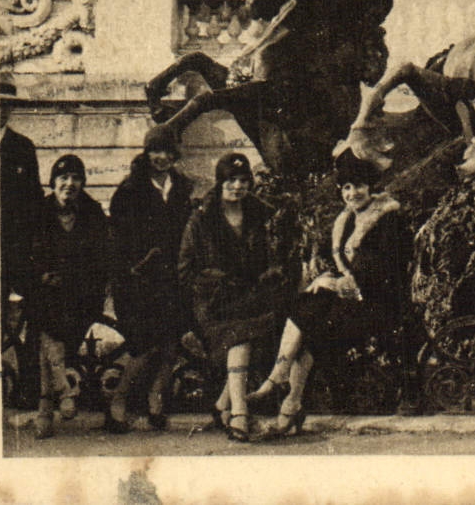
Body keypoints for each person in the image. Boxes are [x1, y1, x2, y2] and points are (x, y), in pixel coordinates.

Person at [244, 150, 413, 439]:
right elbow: (332, 263)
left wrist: (338, 283)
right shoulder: (345, 221)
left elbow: (381, 271)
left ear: (371, 186)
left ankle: (281, 387)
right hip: (350, 303)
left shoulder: (388, 219)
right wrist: (326, 278)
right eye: (346, 187)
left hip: (380, 304)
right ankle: (289, 402)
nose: (352, 193)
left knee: (310, 315)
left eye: (359, 185)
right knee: (308, 311)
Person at [178, 152, 288, 442]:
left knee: (258, 326)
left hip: (248, 296)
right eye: (230, 180)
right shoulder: (201, 218)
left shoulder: (259, 214)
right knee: (241, 335)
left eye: (243, 180)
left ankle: (222, 404)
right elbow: (185, 270)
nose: (237, 187)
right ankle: (239, 412)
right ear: (219, 182)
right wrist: (214, 282)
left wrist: (270, 273)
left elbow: (272, 257)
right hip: (212, 301)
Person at [103, 141, 195, 433]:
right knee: (143, 345)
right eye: (157, 151)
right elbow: (117, 238)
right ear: (147, 154)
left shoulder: (181, 188)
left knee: (170, 344)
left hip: (173, 278)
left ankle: (156, 398)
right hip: (139, 279)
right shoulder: (130, 190)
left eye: (168, 152)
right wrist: (133, 267)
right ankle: (118, 400)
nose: (163, 157)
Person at [25, 154, 111, 439]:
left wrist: (76, 279)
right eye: (63, 178)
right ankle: (61, 392)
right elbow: (26, 254)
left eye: (76, 178)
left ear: (83, 182)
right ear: (53, 182)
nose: (69, 184)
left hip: (80, 296)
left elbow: (100, 259)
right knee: (46, 322)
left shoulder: (93, 212)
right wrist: (40, 275)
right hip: (45, 292)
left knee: (47, 339)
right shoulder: (38, 210)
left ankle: (47, 408)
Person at [0, 81, 44, 408]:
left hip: (18, 252)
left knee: (30, 319)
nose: (0, 109)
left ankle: (29, 388)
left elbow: (34, 202)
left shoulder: (22, 148)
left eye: (5, 104)